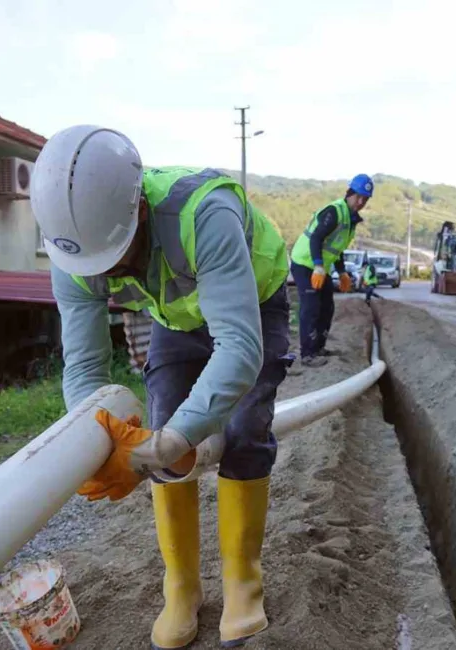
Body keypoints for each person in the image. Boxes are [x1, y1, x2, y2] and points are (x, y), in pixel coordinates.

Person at [31, 125, 291, 649]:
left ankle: (243, 581)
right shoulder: (73, 254)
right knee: (166, 412)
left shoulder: (204, 214)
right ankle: (183, 588)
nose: (108, 274)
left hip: (251, 301)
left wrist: (170, 444)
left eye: (117, 258)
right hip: (176, 317)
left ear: (140, 213)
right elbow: (84, 370)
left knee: (241, 427)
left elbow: (239, 350)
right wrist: (99, 444)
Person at [289, 174, 373, 367]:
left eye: (365, 199)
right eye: (358, 197)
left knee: (327, 307)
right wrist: (318, 265)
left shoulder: (350, 221)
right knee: (311, 307)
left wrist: (342, 272)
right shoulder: (334, 212)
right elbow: (316, 238)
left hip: (320, 267)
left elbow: (337, 249)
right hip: (304, 263)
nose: (360, 202)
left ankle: (318, 347)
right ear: (349, 193)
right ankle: (308, 354)